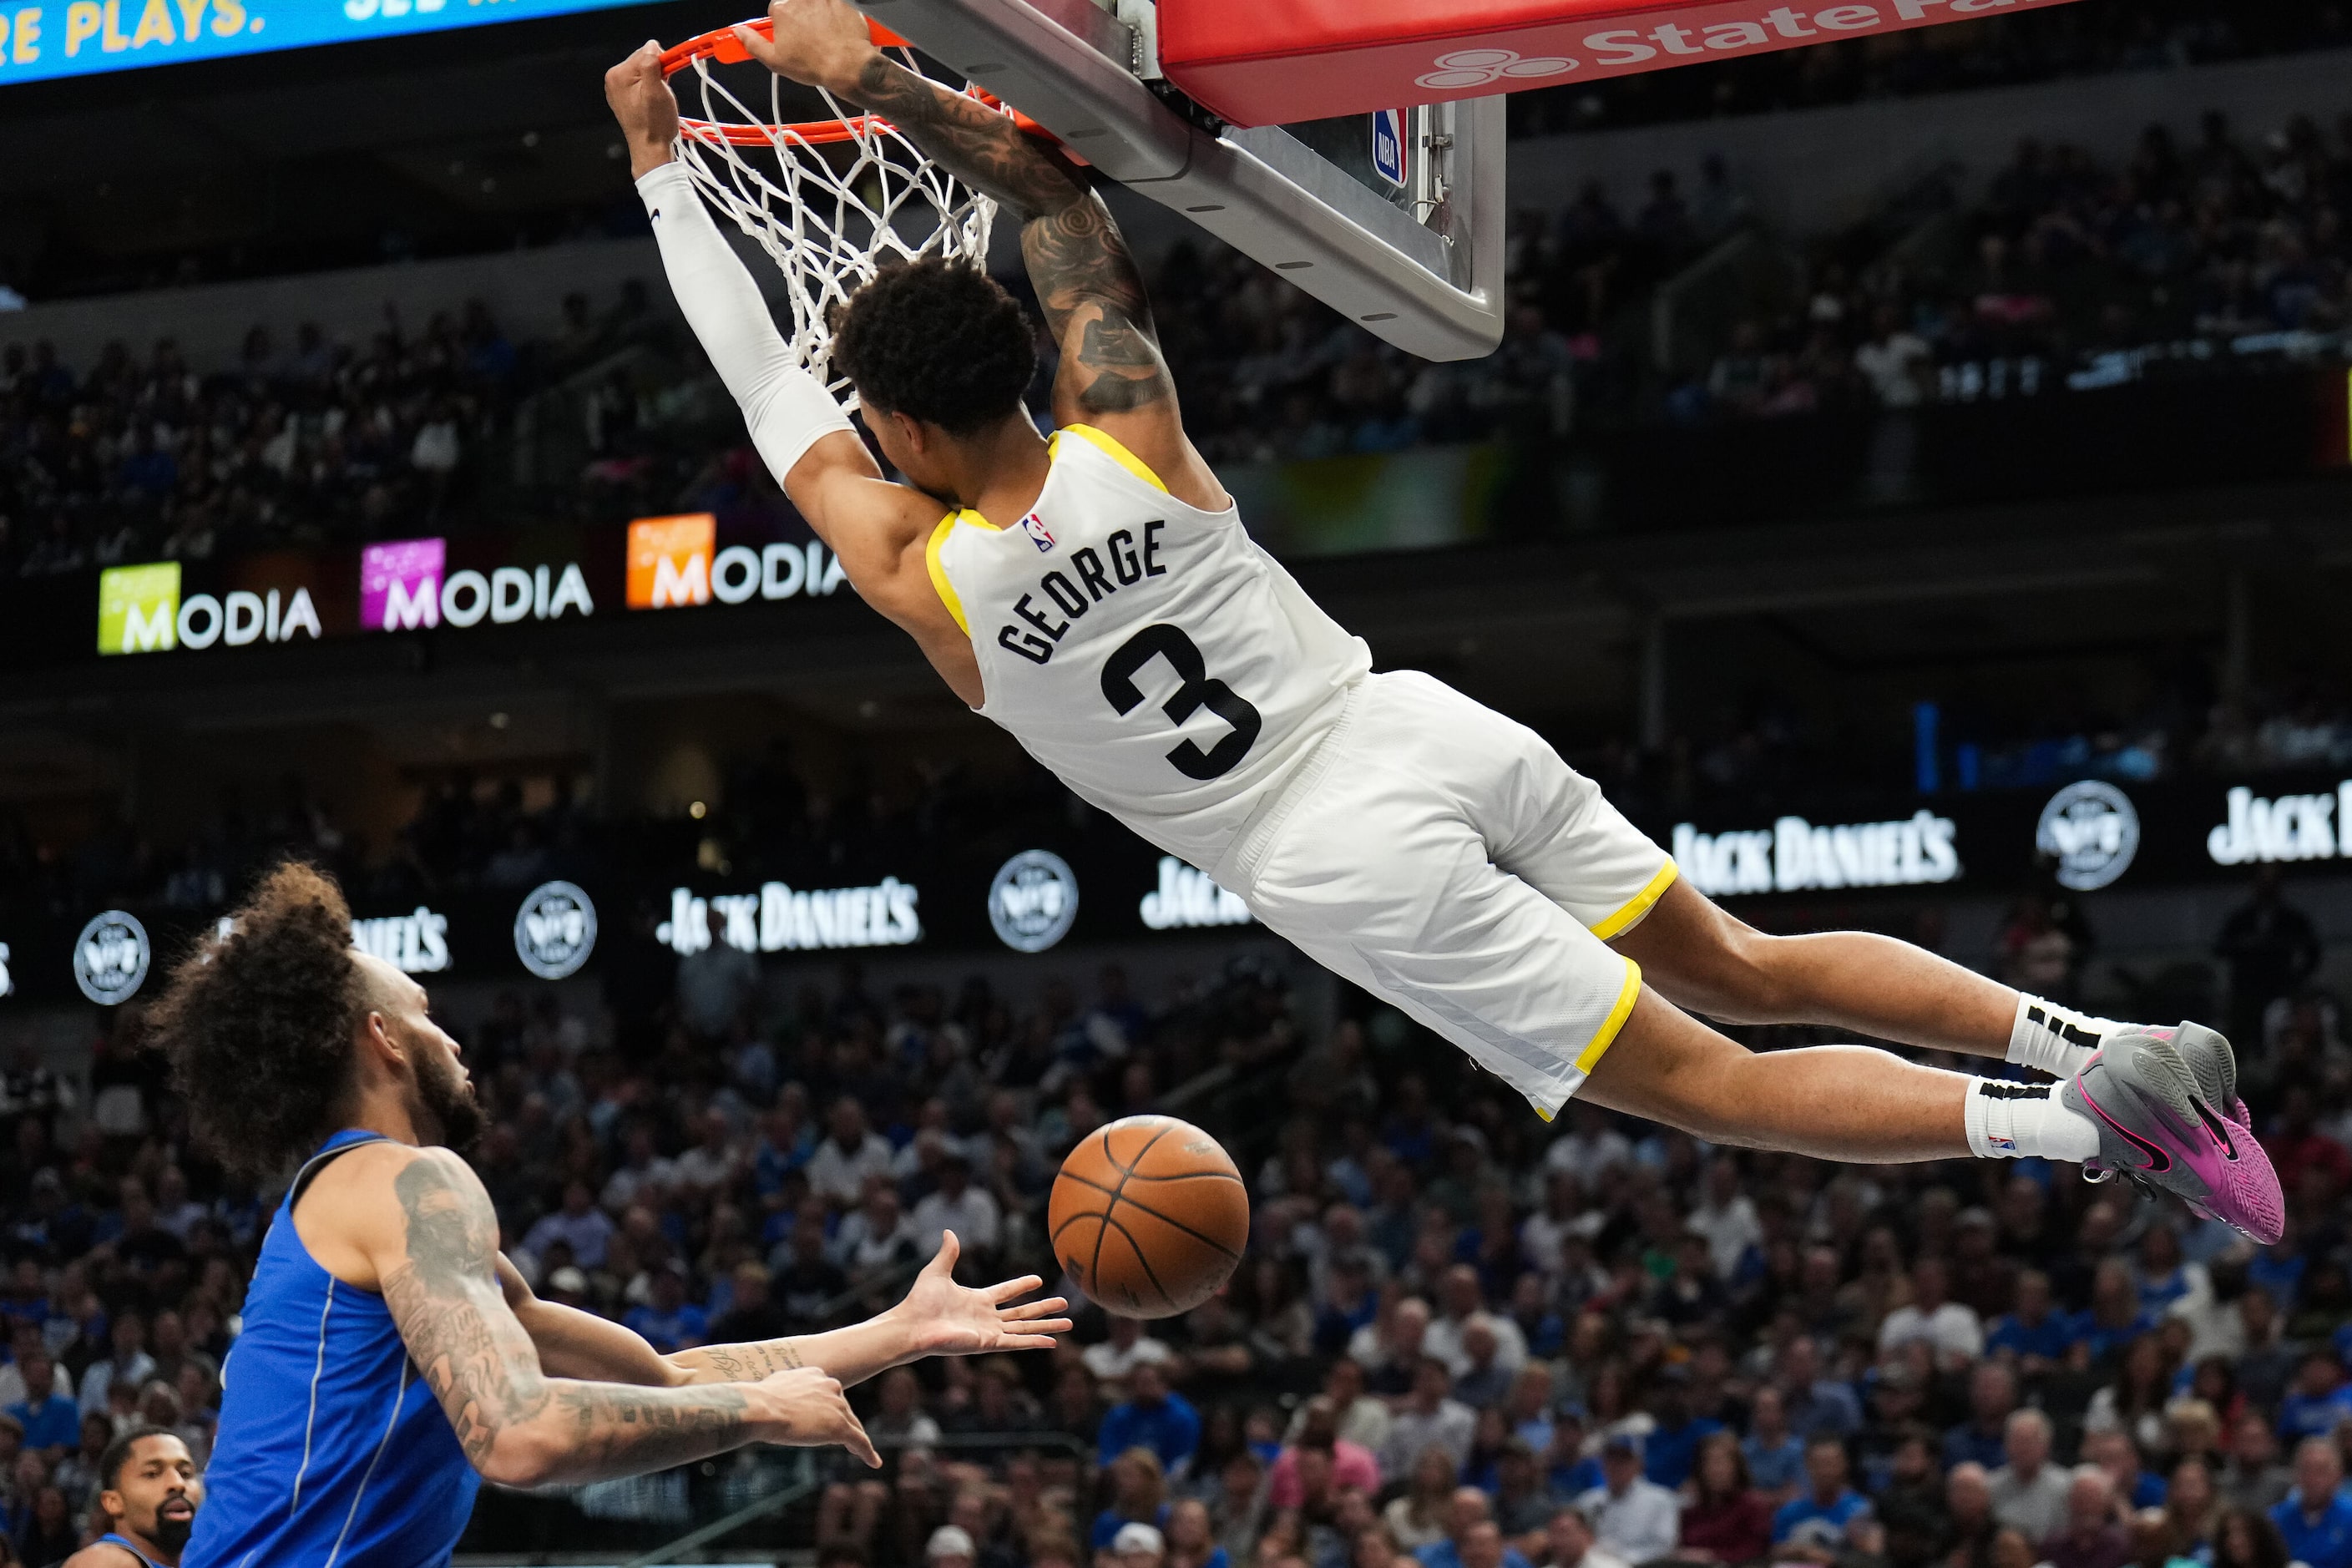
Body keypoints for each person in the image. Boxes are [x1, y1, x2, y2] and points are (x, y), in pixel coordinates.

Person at [599, 0, 2279, 1242]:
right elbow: (1060, 210)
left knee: (1714, 1087)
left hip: (1323, 848)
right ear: (1019, 365)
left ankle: (2078, 1123)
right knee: (1745, 968)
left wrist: (664, 170)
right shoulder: (1131, 429)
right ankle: (2117, 1038)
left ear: (894, 429)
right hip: (1417, 728)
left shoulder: (923, 580)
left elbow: (764, 382)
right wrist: (877, 79)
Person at [150, 863, 1070, 1568]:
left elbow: (660, 1381)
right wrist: (756, 1410)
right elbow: (521, 1436)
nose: (452, 1036)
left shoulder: (360, 1215)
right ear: (382, 1039)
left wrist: (899, 1333)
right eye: (425, 1013)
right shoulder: (407, 1183)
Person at [59, 1426, 200, 1568]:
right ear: (113, 1502)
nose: (178, 1483)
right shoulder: (107, 1561)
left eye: (186, 1473)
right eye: (152, 1474)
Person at [1573, 1435, 1677, 1565]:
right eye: (1611, 1459)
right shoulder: (1587, 1500)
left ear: (1639, 1464)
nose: (1616, 1466)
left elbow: (1663, 1547)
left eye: (1624, 1460)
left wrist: (1619, 1559)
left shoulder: (1660, 1500)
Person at [2267, 1438, 2352, 1568]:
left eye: (2321, 1470)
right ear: (2296, 1475)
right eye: (2306, 1470)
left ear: (2338, 1476)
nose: (2312, 1479)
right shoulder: (2276, 1519)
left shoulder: (2349, 1517)